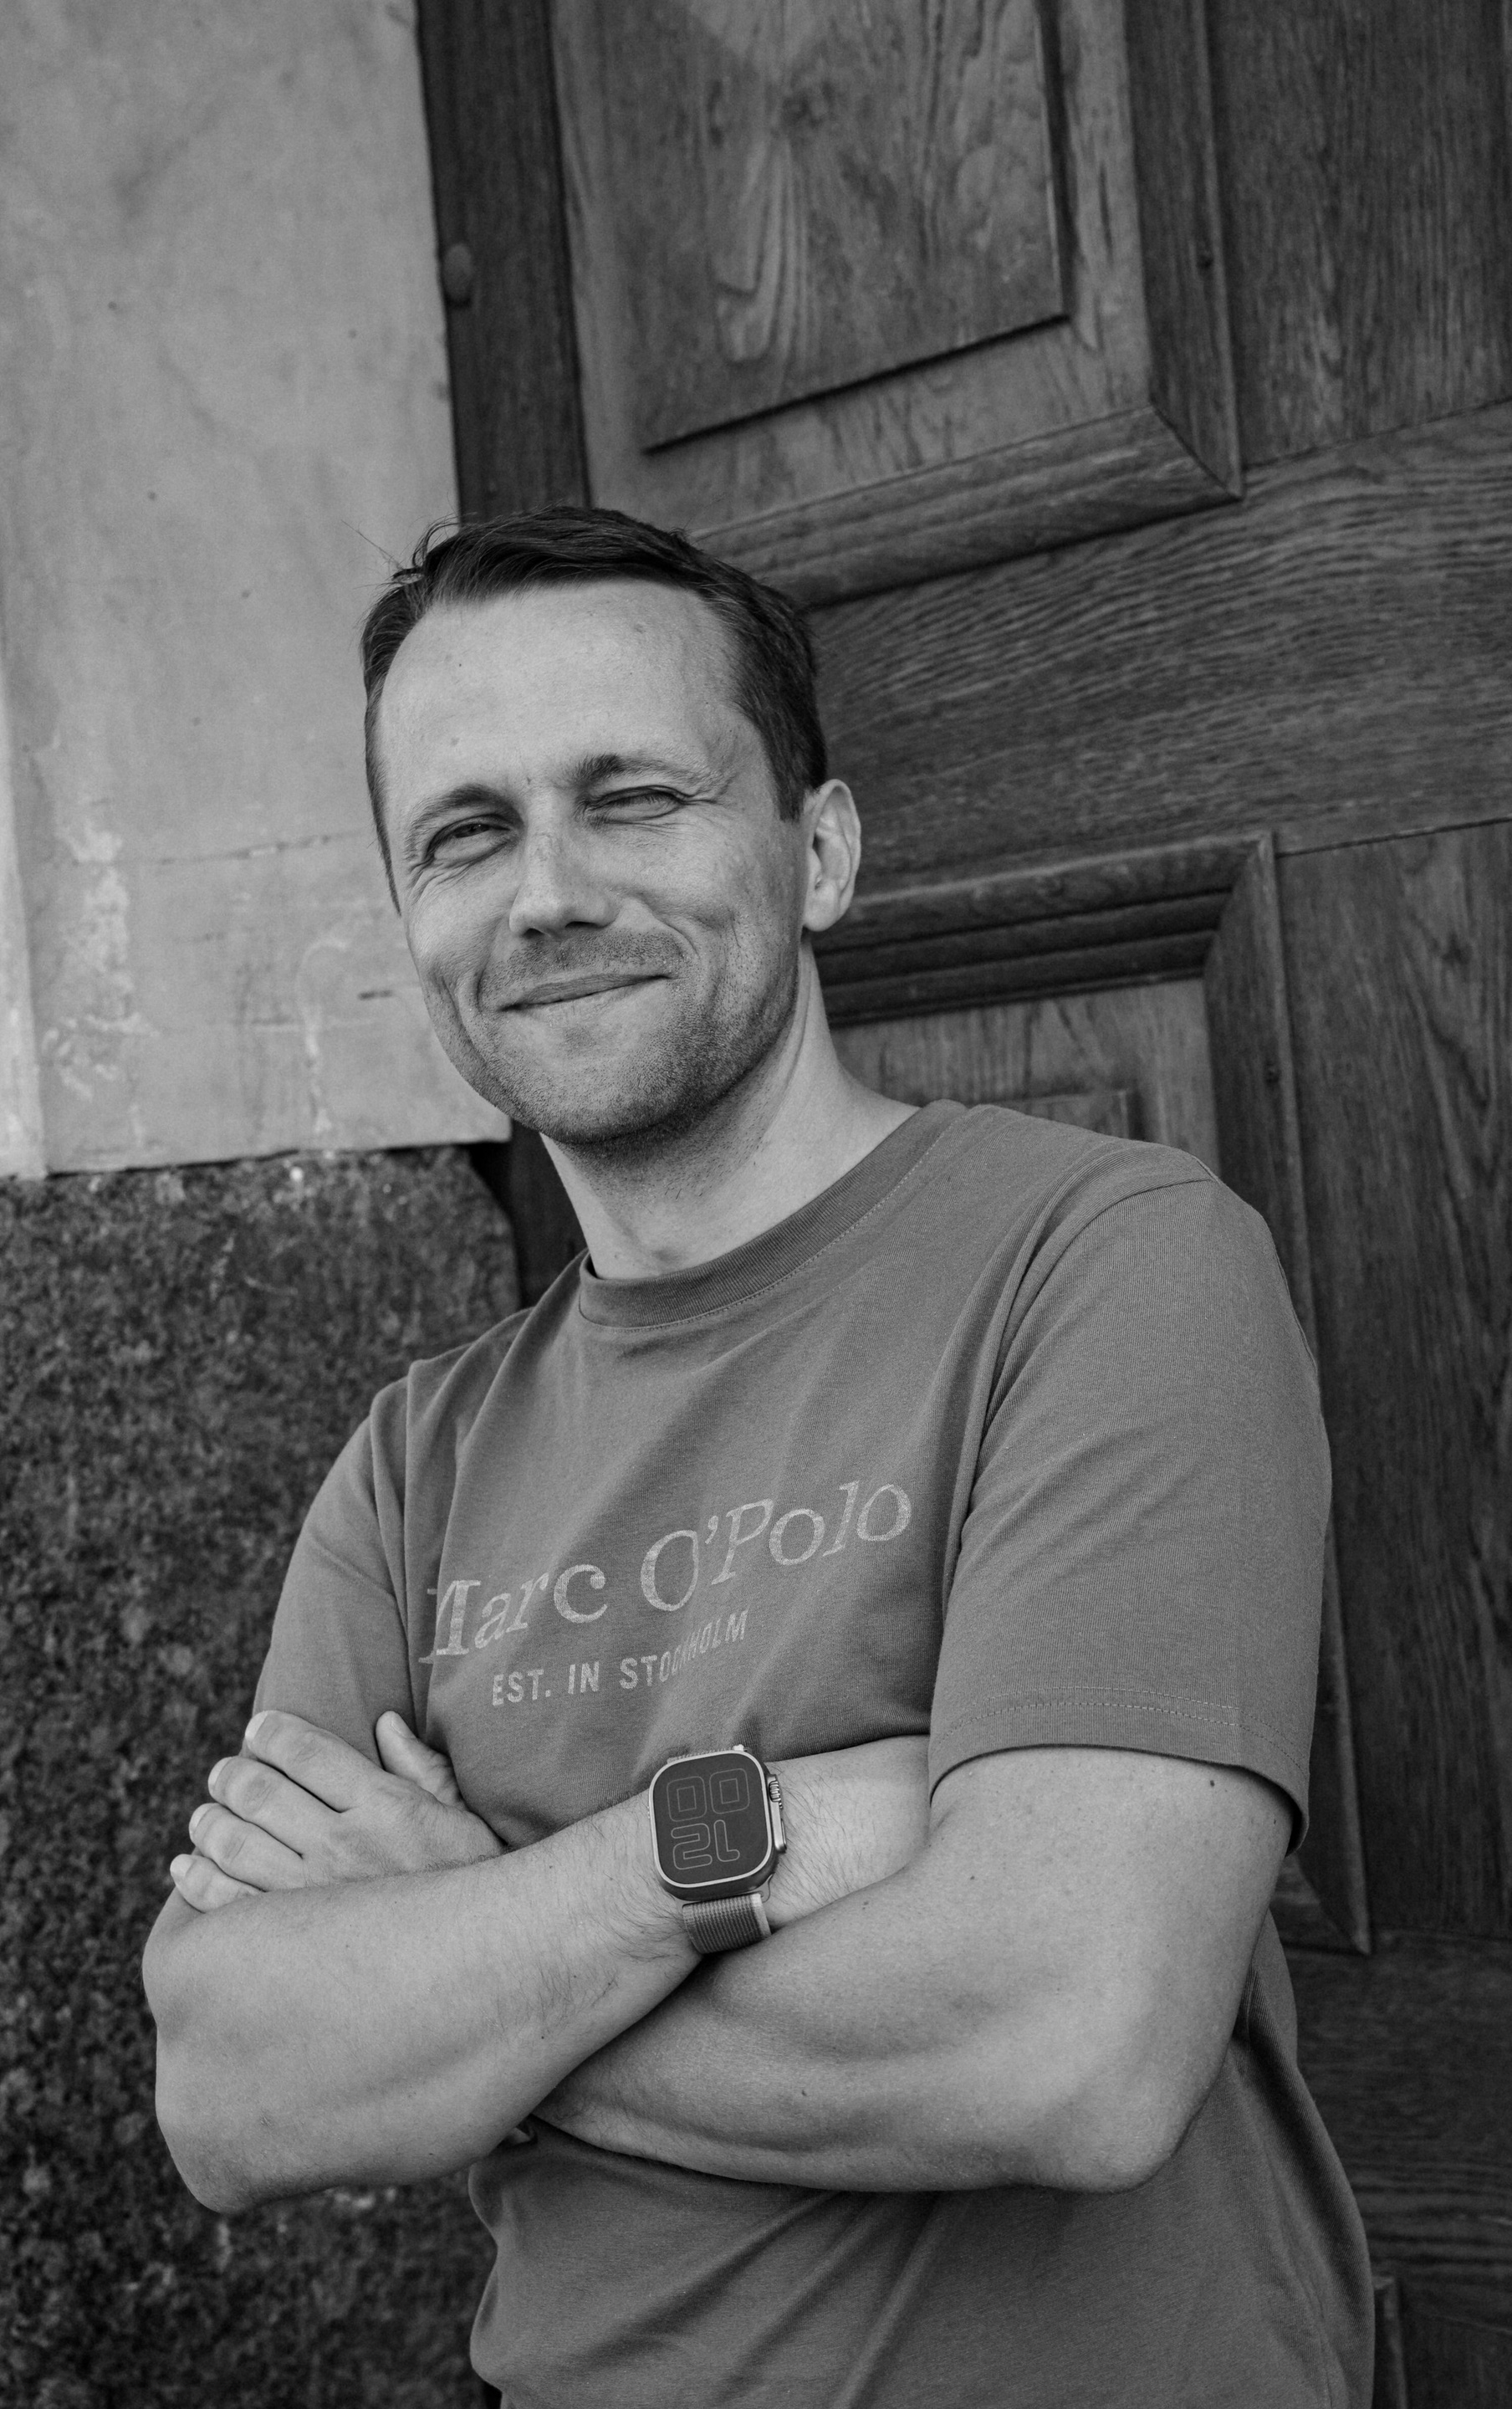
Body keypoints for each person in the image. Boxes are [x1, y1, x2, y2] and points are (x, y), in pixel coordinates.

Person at [143, 506, 1372, 2408]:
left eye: (632, 798)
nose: (548, 892)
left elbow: (1071, 2039)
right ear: (410, 924)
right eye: (464, 834)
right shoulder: (412, 1464)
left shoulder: (1106, 1263)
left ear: (819, 854)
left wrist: (476, 1962)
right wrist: (715, 1854)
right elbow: (234, 2089)